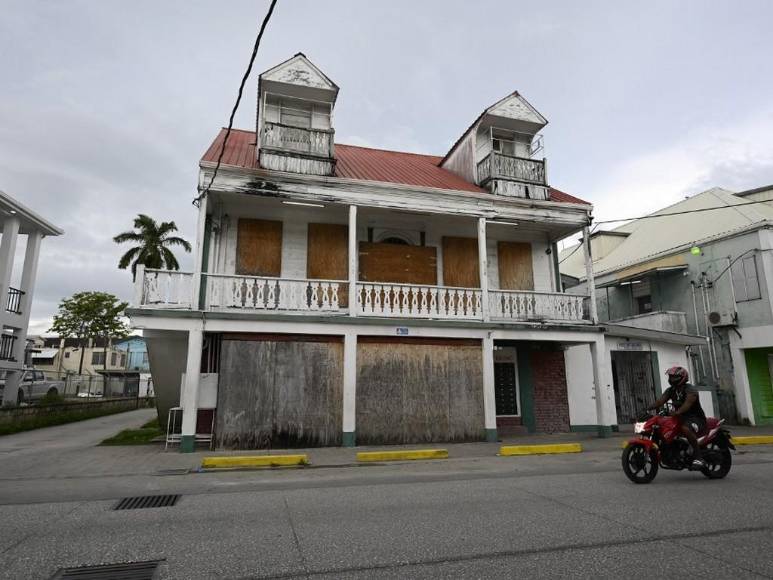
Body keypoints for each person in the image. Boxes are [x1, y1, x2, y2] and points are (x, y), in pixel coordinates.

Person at [648, 366, 707, 469]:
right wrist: (647, 408)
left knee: (685, 429)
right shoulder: (671, 390)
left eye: (674, 377)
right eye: (670, 377)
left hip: (695, 418)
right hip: (679, 418)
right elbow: (660, 401)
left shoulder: (690, 390)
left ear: (682, 377)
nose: (671, 379)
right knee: (661, 427)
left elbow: (687, 404)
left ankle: (699, 457)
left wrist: (677, 412)